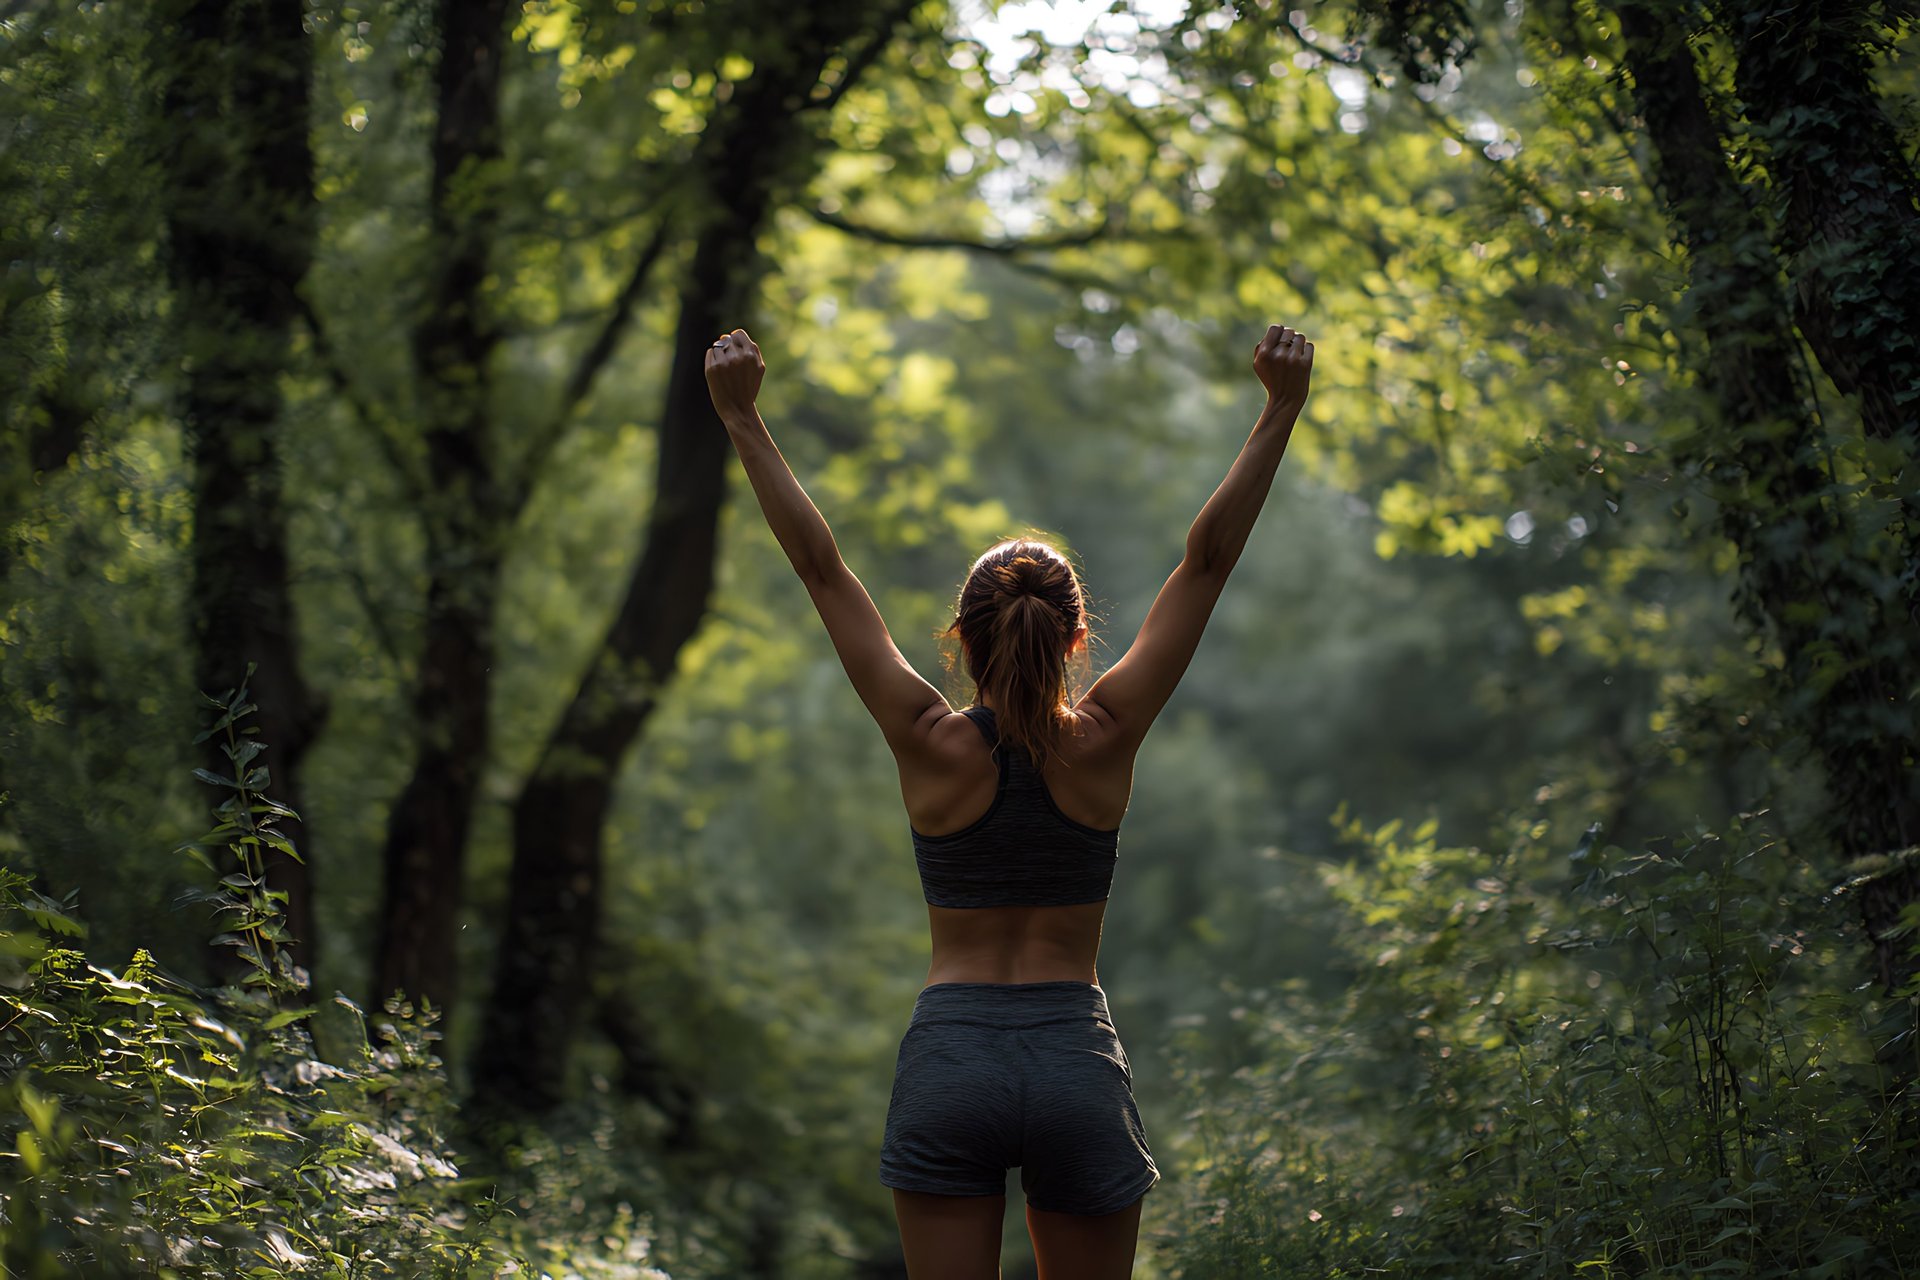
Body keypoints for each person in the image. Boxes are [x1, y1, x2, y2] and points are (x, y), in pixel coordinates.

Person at [705, 322, 1314, 1280]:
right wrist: (1278, 410)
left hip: (953, 1062)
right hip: (1075, 1058)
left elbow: (822, 570)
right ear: (1076, 639)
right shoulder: (1106, 735)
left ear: (962, 638)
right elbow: (1206, 564)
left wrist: (742, 418)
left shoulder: (928, 741)